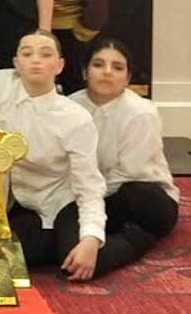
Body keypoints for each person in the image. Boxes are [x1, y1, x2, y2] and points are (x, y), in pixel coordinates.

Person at [0, 30, 160, 282]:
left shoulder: (75, 117)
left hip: (63, 200)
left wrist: (91, 238)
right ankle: (51, 242)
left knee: (78, 264)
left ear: (59, 65)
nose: (36, 60)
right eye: (27, 54)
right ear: (16, 64)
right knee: (1, 255)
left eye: (46, 54)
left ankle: (134, 238)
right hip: (21, 201)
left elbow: (89, 185)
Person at [68, 38, 179, 245]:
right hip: (87, 193)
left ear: (127, 78)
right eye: (98, 65)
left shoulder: (142, 113)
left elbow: (129, 173)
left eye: (117, 67)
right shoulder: (70, 106)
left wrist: (89, 199)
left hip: (136, 193)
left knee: (137, 196)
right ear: (85, 72)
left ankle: (132, 240)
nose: (107, 72)